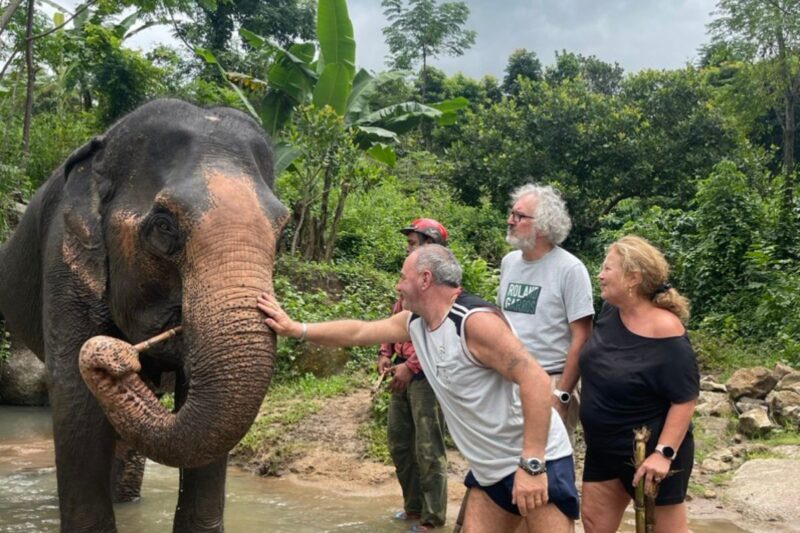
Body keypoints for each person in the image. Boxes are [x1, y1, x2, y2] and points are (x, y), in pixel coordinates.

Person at [258, 245, 579, 533]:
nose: (398, 285)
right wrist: (295, 328)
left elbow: (535, 378)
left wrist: (532, 463)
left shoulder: (473, 323)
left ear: (425, 279)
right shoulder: (415, 322)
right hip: (489, 469)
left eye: (402, 277)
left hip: (537, 459)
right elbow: (358, 331)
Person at [579, 236, 699, 533]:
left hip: (648, 452)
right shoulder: (610, 313)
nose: (600, 275)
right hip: (603, 448)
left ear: (633, 278)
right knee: (594, 525)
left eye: (608, 269)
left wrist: (664, 453)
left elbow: (685, 398)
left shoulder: (666, 329)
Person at [499, 184, 594, 444]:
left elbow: (582, 337)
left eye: (519, 216)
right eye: (512, 213)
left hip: (550, 380)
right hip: (510, 379)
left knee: (548, 469)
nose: (510, 220)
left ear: (542, 226)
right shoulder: (509, 263)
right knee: (508, 466)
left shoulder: (570, 269)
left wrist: (563, 394)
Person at [377, 218, 450, 530]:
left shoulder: (442, 288)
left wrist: (411, 366)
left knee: (429, 448)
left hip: (427, 378)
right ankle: (414, 508)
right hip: (403, 373)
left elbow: (439, 334)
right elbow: (397, 319)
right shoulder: (409, 282)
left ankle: (433, 519)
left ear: (431, 247)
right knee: (400, 443)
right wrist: (385, 352)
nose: (408, 247)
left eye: (413, 243)